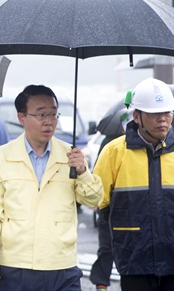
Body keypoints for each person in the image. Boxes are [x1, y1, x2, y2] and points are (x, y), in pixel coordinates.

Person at [0, 84, 103, 291]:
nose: (49, 122)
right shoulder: (2, 157)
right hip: (17, 265)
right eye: (41, 114)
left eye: (53, 114)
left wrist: (83, 172)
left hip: (62, 264)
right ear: (21, 117)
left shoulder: (71, 157)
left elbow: (94, 200)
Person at [93, 78, 174, 291]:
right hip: (134, 262)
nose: (163, 120)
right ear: (137, 117)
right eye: (155, 114)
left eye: (167, 113)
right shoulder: (113, 152)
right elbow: (99, 204)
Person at [89, 110, 132, 291]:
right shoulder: (109, 144)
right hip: (111, 204)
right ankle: (101, 283)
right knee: (107, 247)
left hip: (132, 206)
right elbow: (100, 174)